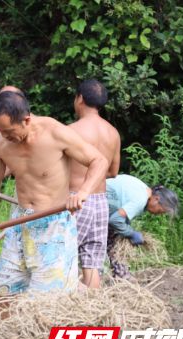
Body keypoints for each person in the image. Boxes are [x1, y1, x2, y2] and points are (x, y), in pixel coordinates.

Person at [0, 91, 108, 314]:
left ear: (26, 120)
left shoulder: (55, 133)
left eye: (9, 131)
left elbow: (98, 161)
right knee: (4, 294)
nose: (4, 136)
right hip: (20, 223)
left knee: (48, 303)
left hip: (54, 227)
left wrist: (82, 192)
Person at [69, 79, 121, 289]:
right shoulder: (113, 133)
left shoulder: (71, 131)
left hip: (76, 200)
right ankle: (93, 314)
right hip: (100, 202)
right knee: (92, 262)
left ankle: (59, 312)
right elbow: (113, 171)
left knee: (64, 255)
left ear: (80, 98)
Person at [106, 174, 179, 279]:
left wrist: (127, 230)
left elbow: (121, 215)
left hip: (101, 202)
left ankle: (121, 275)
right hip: (92, 203)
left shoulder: (143, 190)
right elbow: (115, 220)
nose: (158, 214)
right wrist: (130, 233)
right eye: (160, 210)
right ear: (156, 199)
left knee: (114, 240)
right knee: (105, 240)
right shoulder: (140, 200)